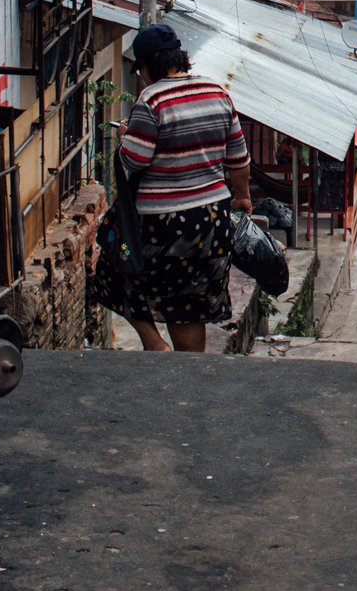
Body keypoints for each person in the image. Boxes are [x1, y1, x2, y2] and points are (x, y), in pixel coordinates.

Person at [91, 22, 253, 352]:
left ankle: (154, 343)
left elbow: (135, 159)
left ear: (148, 65)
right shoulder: (217, 92)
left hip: (159, 228)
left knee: (114, 265)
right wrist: (243, 196)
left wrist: (125, 137)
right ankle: (187, 375)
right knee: (188, 305)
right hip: (211, 224)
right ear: (180, 57)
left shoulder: (152, 100)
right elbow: (238, 159)